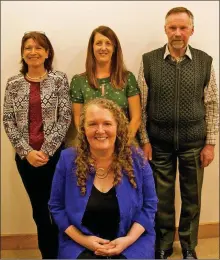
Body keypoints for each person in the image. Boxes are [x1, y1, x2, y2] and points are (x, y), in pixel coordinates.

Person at [138, 7, 219, 259]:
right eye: (172, 27)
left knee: (192, 199)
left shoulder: (205, 62)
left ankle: (188, 246)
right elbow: (140, 103)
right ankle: (162, 245)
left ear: (191, 31)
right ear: (165, 29)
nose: (177, 33)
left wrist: (211, 144)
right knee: (161, 199)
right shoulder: (149, 60)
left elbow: (213, 104)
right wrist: (145, 140)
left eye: (183, 28)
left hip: (194, 144)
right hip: (158, 144)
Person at [49, 98, 158, 259]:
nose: (100, 130)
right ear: (83, 129)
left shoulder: (138, 159)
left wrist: (127, 240)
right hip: (79, 244)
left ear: (118, 127)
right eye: (92, 124)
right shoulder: (67, 160)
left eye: (107, 123)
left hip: (131, 243)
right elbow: (56, 207)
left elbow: (150, 205)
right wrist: (84, 241)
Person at [3, 31, 71, 259]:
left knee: (59, 208)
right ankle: (49, 255)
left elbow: (65, 118)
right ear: (23, 53)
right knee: (40, 211)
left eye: (38, 47)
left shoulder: (59, 79)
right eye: (28, 48)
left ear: (47, 52)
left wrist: (47, 151)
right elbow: (7, 120)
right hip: (26, 160)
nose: (33, 52)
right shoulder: (13, 83)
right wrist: (27, 152)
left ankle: (66, 252)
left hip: (55, 158)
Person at [70, 25, 141, 142]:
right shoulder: (78, 81)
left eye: (108, 43)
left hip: (124, 144)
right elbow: (78, 119)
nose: (103, 48)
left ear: (114, 48)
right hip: (90, 144)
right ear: (92, 48)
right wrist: (90, 143)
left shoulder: (127, 78)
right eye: (99, 43)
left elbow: (136, 118)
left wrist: (122, 143)